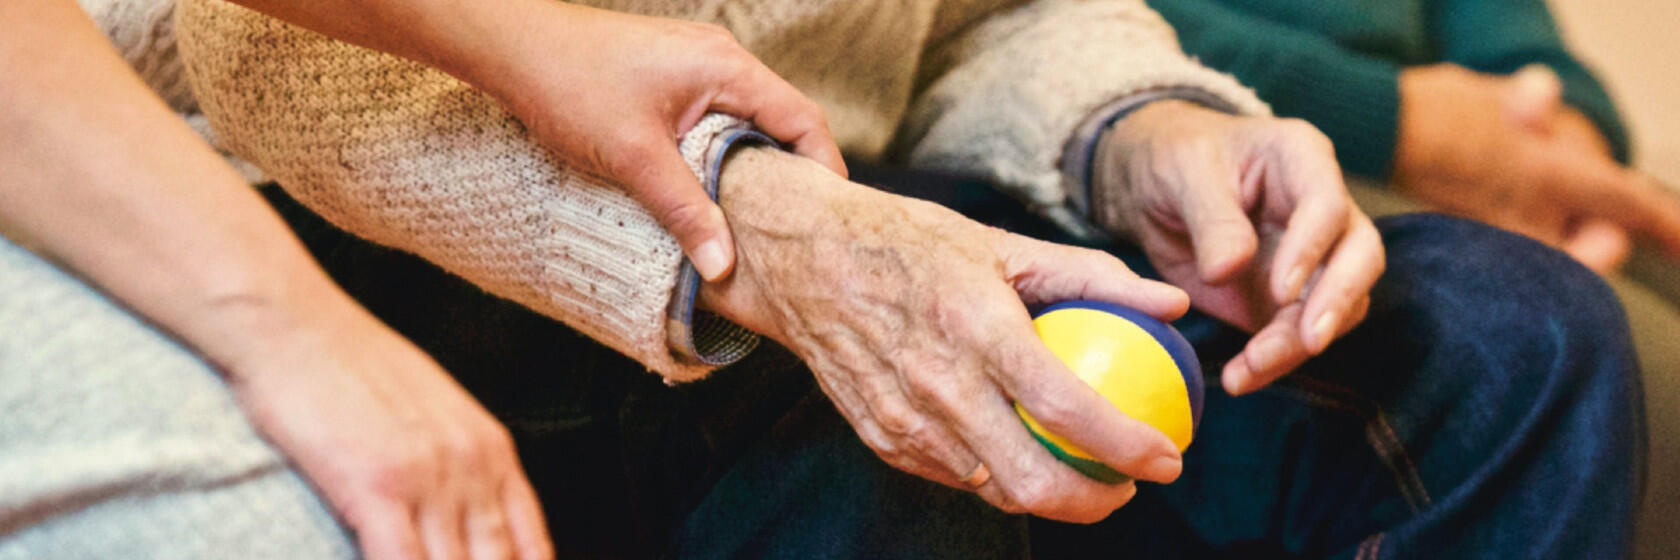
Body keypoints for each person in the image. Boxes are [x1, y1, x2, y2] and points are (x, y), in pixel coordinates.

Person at [0, 2, 1641, 560]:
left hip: (875, 211)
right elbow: (234, 49)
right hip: (484, 261)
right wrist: (752, 229)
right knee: (868, 448)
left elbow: (976, 21)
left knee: (1514, 342)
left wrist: (1145, 134)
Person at [1140, 1, 1679, 555]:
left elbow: (1515, 34)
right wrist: (1394, 119)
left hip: (1474, 132)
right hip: (1231, 131)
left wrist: (1566, 130)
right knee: (1554, 340)